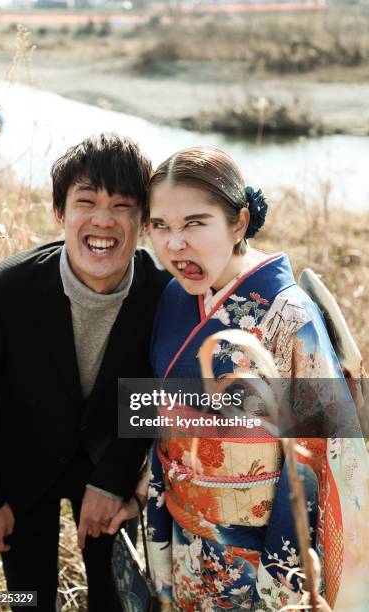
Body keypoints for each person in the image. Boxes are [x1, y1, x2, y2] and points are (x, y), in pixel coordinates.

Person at [108, 146, 369, 610]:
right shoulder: (174, 296)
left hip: (259, 550)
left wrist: (283, 577)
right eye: (160, 226)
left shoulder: (288, 316)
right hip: (182, 526)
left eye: (195, 223)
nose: (174, 245)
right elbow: (161, 412)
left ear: (240, 222)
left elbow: (312, 457)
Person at [0, 132, 170, 611]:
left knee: (121, 600)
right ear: (59, 212)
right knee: (29, 600)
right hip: (20, 464)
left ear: (143, 220)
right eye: (87, 201)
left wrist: (114, 479)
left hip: (109, 459)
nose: (103, 219)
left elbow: (154, 396)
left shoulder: (163, 296)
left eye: (122, 205)